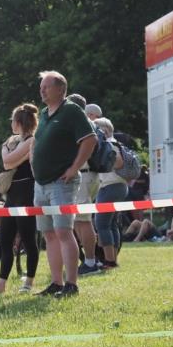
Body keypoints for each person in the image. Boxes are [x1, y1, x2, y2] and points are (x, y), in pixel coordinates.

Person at [31, 72, 97, 298]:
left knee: (63, 231)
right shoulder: (44, 113)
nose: (42, 90)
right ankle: (56, 283)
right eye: (41, 87)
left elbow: (90, 139)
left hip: (62, 182)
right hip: (41, 184)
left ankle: (71, 284)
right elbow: (38, 142)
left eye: (46, 87)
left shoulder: (71, 111)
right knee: (48, 234)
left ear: (61, 89)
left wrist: (74, 167)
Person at [0, 104, 40, 294]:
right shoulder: (12, 141)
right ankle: (1, 283)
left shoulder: (32, 140)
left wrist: (13, 157)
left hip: (27, 192)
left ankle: (28, 282)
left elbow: (9, 159)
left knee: (29, 240)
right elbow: (6, 161)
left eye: (12, 120)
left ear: (18, 122)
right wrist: (14, 157)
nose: (11, 124)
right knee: (5, 239)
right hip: (12, 194)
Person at [69, 95, 102, 278]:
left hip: (84, 174)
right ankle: (88, 260)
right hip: (90, 175)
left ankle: (90, 262)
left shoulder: (81, 124)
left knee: (83, 221)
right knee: (79, 221)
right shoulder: (89, 123)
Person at [92, 117, 128, 269]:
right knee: (111, 224)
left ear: (104, 130)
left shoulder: (110, 144)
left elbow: (118, 162)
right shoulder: (115, 143)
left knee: (102, 224)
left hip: (110, 187)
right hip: (117, 186)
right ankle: (112, 259)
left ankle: (109, 261)